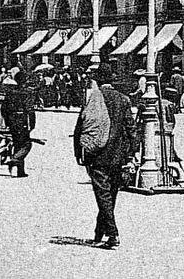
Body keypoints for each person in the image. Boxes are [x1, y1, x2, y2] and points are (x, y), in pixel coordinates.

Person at [74, 63, 139, 250]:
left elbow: (81, 126)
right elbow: (131, 130)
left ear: (98, 80)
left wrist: (79, 152)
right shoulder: (124, 100)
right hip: (118, 155)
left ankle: (113, 234)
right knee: (110, 193)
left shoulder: (93, 98)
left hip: (97, 154)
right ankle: (98, 232)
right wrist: (132, 154)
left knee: (102, 194)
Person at [1, 72, 37, 177]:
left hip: (12, 121)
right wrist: (32, 124)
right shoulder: (26, 93)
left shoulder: (10, 93)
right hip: (22, 121)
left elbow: (3, 109)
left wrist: (8, 121)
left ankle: (20, 171)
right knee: (27, 144)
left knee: (17, 144)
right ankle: (15, 160)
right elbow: (30, 109)